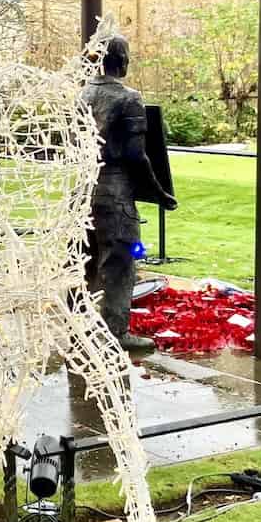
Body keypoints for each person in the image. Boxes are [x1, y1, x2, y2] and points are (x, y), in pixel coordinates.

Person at [80, 35, 176, 351]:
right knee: (121, 263)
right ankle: (115, 331)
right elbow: (136, 155)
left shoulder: (83, 93)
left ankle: (80, 325)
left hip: (84, 191)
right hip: (115, 192)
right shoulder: (128, 98)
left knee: (88, 262)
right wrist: (159, 192)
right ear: (122, 61)